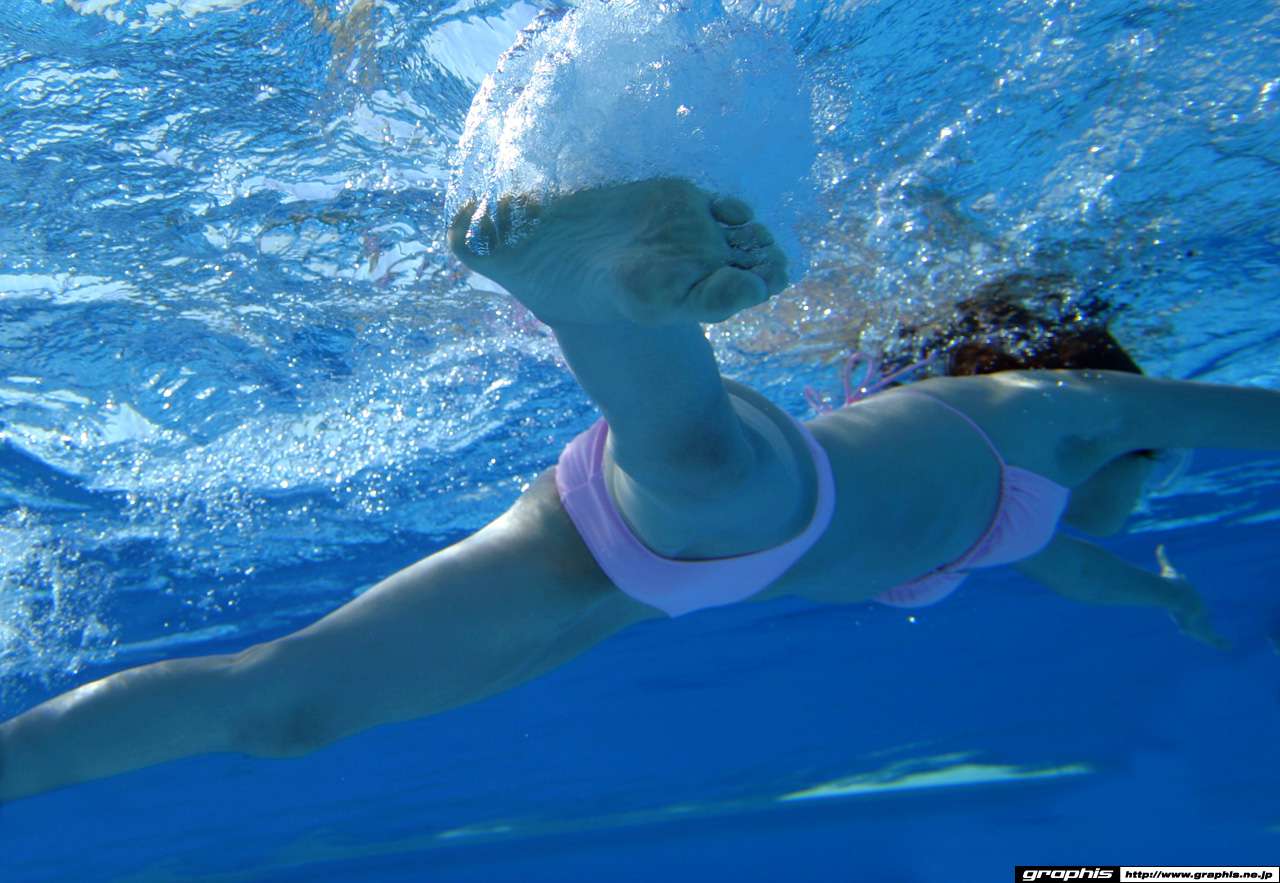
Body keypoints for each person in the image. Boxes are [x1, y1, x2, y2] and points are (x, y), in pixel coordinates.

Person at [2, 178, 1276, 803]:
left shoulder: (1025, 526)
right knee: (708, 466)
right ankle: (592, 297)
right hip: (765, 498)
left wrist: (1163, 603)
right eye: (1153, 472)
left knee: (289, 709)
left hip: (604, 564)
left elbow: (1075, 568)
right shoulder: (1059, 410)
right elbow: (1240, 423)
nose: (1146, 488)